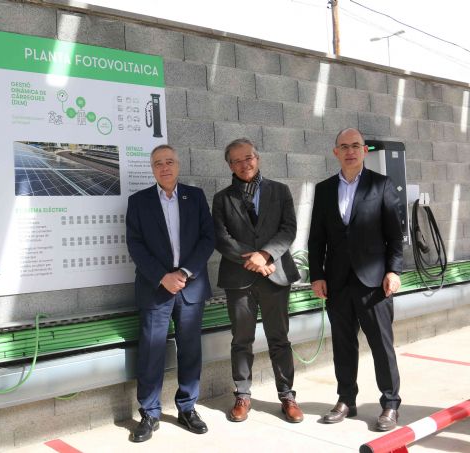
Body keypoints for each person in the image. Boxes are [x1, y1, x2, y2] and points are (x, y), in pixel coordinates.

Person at [308, 128, 403, 431]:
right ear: (335, 152)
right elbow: (316, 238)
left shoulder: (381, 185)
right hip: (337, 283)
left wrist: (393, 271)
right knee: (343, 344)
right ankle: (346, 400)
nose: (350, 151)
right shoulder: (324, 189)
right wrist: (317, 275)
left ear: (365, 150)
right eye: (344, 146)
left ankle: (390, 403)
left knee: (381, 346)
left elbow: (395, 235)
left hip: (374, 282)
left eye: (356, 146)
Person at [126, 144, 215, 442]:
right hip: (155, 288)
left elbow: (208, 238)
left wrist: (185, 272)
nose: (164, 167)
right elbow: (135, 245)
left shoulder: (195, 196)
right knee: (151, 352)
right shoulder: (138, 201)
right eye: (158, 163)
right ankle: (150, 412)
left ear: (178, 165)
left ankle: (187, 408)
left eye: (169, 162)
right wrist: (162, 277)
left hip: (190, 287)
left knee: (190, 349)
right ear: (152, 169)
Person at [212, 138, 303, 423]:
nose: (244, 164)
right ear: (230, 165)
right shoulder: (222, 199)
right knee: (241, 340)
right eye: (237, 160)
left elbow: (288, 229)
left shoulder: (280, 191)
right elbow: (221, 238)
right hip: (238, 279)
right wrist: (251, 259)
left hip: (275, 275)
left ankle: (287, 395)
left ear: (258, 158)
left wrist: (265, 255)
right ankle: (242, 394)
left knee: (280, 339)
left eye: (248, 157)